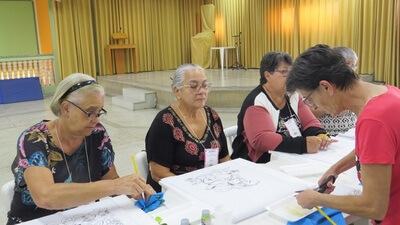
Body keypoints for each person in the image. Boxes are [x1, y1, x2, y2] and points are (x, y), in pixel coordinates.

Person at [7, 73, 155, 224]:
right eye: (90, 112)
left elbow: (111, 180)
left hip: (81, 217)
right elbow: (45, 196)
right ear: (66, 108)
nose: (96, 119)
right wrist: (115, 186)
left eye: (99, 112)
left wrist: (133, 189)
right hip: (36, 220)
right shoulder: (35, 139)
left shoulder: (97, 133)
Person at [287, 44, 400, 224]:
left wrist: (316, 198)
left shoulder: (373, 120)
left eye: (309, 99)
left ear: (325, 87)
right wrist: (337, 168)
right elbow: (377, 149)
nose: (313, 107)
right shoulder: (388, 93)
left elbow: (374, 207)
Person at [231, 52, 335, 163]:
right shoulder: (257, 101)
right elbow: (261, 139)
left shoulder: (293, 95)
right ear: (267, 75)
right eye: (284, 72)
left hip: (290, 158)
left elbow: (310, 122)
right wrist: (303, 145)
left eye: (291, 72)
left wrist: (319, 135)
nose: (290, 77)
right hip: (261, 163)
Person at [146, 64, 230, 192]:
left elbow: (224, 159)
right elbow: (158, 173)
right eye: (193, 86)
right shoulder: (164, 122)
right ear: (177, 91)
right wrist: (192, 190)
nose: (202, 91)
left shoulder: (212, 115)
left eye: (205, 85)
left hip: (212, 187)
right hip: (177, 192)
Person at [310, 46, 358, 136]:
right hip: (325, 134)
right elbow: (308, 112)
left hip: (350, 134)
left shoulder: (355, 83)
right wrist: (333, 106)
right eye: (347, 64)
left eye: (353, 65)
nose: (350, 69)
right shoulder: (319, 84)